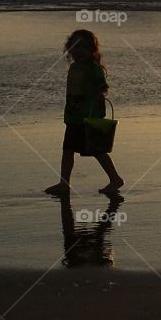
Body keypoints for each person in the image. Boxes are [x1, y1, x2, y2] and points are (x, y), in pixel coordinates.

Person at [45, 29, 123, 196]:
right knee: (67, 150)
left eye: (84, 47)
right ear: (69, 48)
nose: (79, 51)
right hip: (73, 117)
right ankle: (64, 183)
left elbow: (103, 88)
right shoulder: (74, 67)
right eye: (75, 47)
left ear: (91, 50)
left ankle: (115, 178)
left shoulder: (93, 68)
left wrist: (98, 96)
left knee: (97, 150)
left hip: (87, 118)